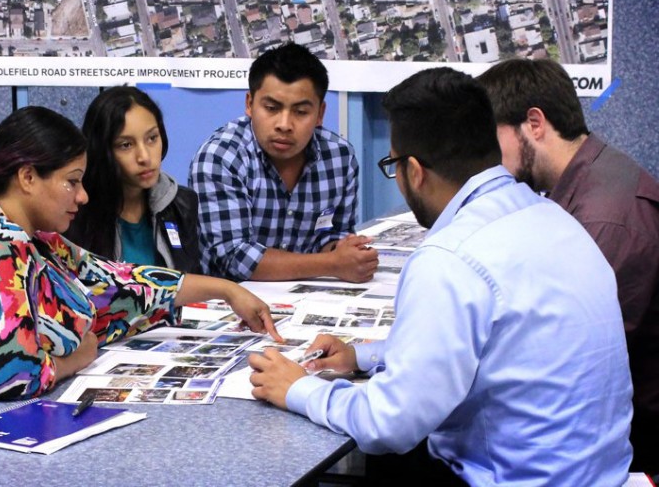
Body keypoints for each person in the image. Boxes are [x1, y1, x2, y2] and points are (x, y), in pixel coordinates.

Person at [249, 67, 633, 486]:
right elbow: (491, 341)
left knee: (388, 455)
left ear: (414, 171)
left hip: (513, 479)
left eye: (392, 165)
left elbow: (388, 424)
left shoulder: (450, 257)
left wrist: (299, 388)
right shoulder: (551, 217)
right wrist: (363, 356)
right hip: (599, 475)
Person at [0, 106, 281, 464]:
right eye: (71, 182)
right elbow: (13, 376)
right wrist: (78, 357)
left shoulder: (34, 239)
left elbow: (116, 281)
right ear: (28, 177)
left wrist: (225, 289)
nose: (83, 196)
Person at [478, 58, 659, 474]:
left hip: (619, 436)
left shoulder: (605, 219)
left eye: (492, 140)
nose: (488, 160)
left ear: (535, 124)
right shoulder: (585, 179)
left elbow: (564, 353)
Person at [189, 42, 377, 282]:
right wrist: (333, 263)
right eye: (271, 108)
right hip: (231, 301)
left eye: (300, 112)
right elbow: (233, 258)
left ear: (320, 114)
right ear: (249, 104)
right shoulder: (221, 157)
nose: (284, 124)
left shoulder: (339, 156)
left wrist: (347, 253)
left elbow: (334, 234)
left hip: (308, 297)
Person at [68, 86, 201, 273]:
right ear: (102, 150)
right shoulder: (74, 211)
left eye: (152, 138)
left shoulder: (181, 204)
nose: (144, 157)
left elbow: (191, 282)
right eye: (126, 145)